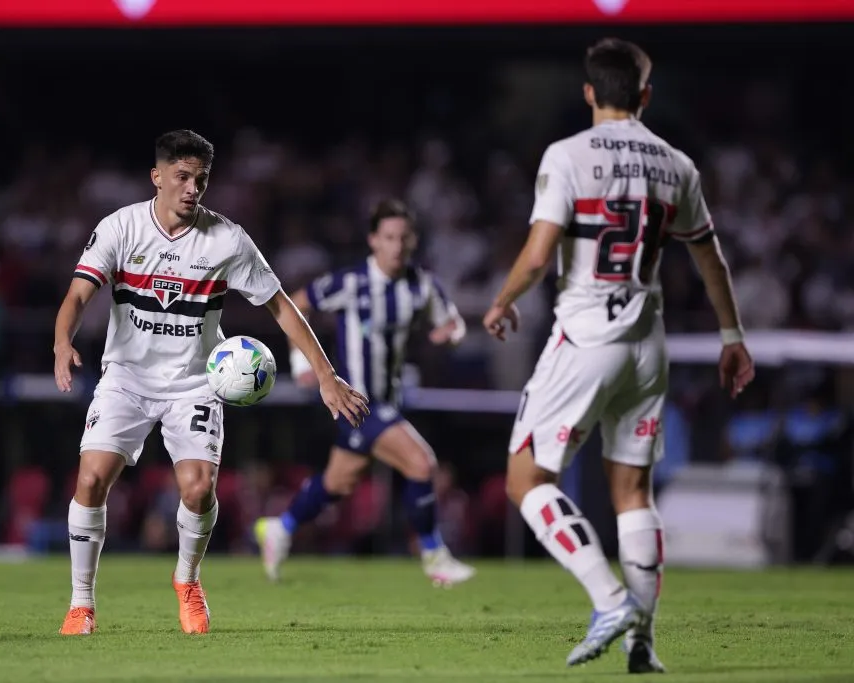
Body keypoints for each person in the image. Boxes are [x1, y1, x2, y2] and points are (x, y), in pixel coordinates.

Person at [483, 39, 755, 672]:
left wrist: (501, 302)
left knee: (526, 478)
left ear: (588, 93)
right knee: (634, 491)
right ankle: (643, 644)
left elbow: (537, 251)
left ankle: (610, 600)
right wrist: (731, 336)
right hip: (646, 343)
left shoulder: (568, 155)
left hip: (585, 335)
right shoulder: (675, 163)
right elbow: (708, 255)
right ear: (644, 95)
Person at [53, 130, 369, 636]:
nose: (191, 188)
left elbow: (281, 306)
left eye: (200, 178)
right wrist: (61, 341)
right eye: (181, 176)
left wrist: (327, 376)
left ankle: (188, 582)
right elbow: (76, 295)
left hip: (195, 382)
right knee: (91, 479)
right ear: (156, 177)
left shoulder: (226, 239)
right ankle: (81, 603)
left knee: (198, 489)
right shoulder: (120, 227)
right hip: (127, 378)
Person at [254, 199, 476, 586]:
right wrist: (305, 364)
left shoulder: (421, 286)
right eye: (388, 237)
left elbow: (452, 323)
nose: (396, 245)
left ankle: (281, 527)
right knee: (421, 463)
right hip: (356, 401)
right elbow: (296, 303)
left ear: (413, 241)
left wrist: (451, 335)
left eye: (403, 238)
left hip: (388, 401)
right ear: (373, 240)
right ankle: (434, 556)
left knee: (340, 481)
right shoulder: (350, 281)